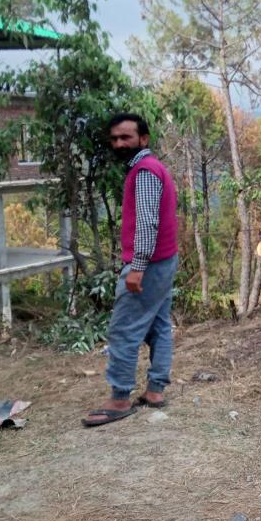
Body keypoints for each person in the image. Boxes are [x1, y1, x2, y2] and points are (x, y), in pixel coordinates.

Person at [82, 113, 179, 427]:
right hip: (163, 261)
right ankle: (155, 391)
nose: (119, 143)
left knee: (123, 330)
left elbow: (148, 224)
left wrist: (137, 268)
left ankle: (120, 398)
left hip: (148, 265)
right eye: (115, 138)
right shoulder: (148, 168)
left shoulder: (146, 171)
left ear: (144, 139)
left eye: (126, 137)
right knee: (160, 325)